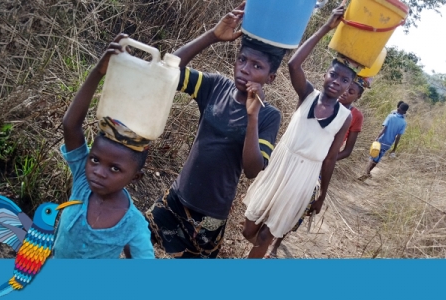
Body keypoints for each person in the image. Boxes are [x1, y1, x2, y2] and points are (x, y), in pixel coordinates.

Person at [145, 2, 284, 259]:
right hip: (177, 197)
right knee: (137, 241)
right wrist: (212, 36)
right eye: (242, 59)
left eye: (257, 65)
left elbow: (253, 170)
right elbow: (169, 70)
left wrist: (252, 118)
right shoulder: (216, 86)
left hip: (209, 217)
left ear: (271, 77)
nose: (245, 68)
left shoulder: (268, 115)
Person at [241, 6, 355, 259]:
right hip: (281, 163)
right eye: (333, 75)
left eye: (344, 80)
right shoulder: (307, 95)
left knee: (265, 236)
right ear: (325, 76)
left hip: (305, 176)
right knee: (248, 228)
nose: (337, 82)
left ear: (348, 88)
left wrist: (321, 194)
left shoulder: (345, 118)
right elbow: (294, 64)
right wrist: (327, 27)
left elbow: (330, 158)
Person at [53, 34, 155, 259]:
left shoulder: (133, 225)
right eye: (95, 159)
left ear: (135, 177)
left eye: (115, 169)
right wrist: (99, 72)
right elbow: (71, 125)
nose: (98, 172)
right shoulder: (82, 179)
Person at [266, 76, 370, 258]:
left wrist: (326, 159)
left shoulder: (355, 116)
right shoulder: (323, 102)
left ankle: (275, 244)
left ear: (358, 97)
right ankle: (262, 228)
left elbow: (347, 150)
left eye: (352, 92)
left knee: (298, 205)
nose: (345, 93)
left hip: (318, 166)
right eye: (346, 89)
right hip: (299, 159)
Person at [359, 101, 408, 180]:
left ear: (398, 109)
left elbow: (384, 129)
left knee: (372, 157)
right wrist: (394, 149)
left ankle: (366, 173)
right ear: (405, 112)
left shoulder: (390, 116)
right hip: (389, 143)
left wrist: (377, 138)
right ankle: (367, 173)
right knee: (377, 159)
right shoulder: (404, 123)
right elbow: (398, 137)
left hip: (381, 140)